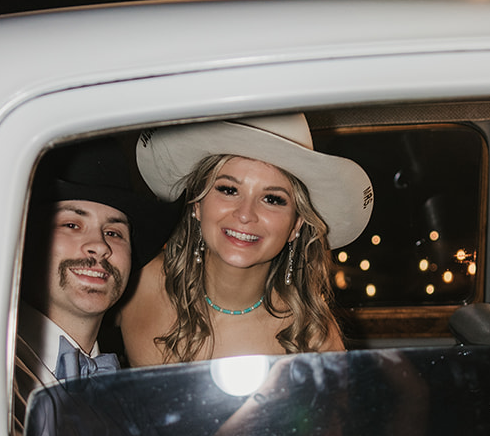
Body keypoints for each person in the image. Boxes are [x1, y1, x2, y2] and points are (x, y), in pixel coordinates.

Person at [120, 112, 373, 366]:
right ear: (197, 203)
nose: (245, 214)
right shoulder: (134, 281)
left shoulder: (312, 335)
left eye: (272, 199)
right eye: (229, 190)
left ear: (296, 224)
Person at [12, 139, 170, 436]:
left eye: (114, 232)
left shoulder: (130, 403)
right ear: (26, 241)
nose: (99, 245)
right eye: (72, 224)